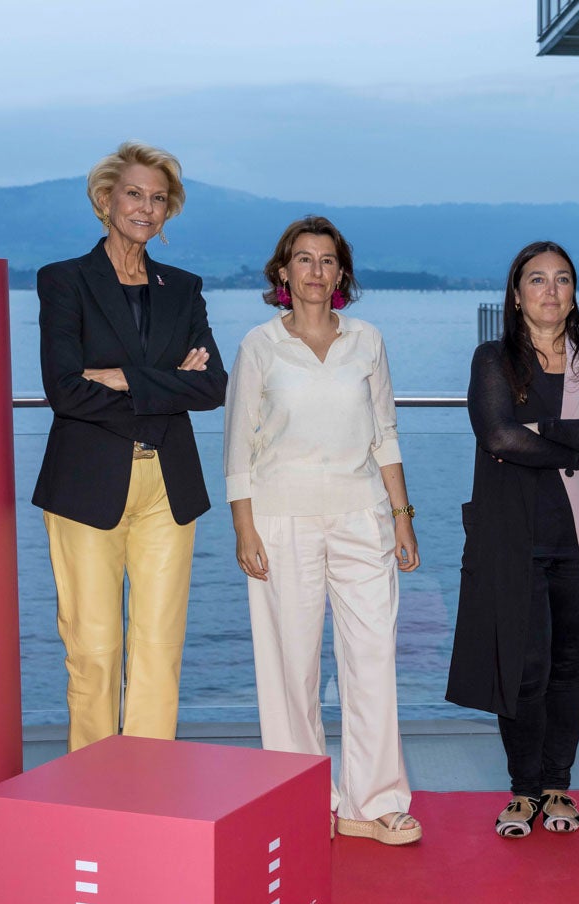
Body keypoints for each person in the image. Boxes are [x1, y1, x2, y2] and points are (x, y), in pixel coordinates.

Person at [224, 216, 422, 846]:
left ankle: (375, 801)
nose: (315, 271)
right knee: (291, 667)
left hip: (363, 516)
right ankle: (302, 800)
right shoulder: (259, 345)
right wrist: (244, 529)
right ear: (283, 272)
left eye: (327, 260)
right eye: (303, 259)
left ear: (342, 273)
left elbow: (385, 432)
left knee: (372, 658)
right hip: (280, 519)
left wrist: (402, 518)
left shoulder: (368, 339)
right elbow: (238, 448)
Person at [33, 141, 228, 751]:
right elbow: (65, 390)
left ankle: (149, 785)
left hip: (169, 486)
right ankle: (91, 783)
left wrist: (119, 376)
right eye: (135, 194)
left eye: (159, 199)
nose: (147, 208)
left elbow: (213, 385)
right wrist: (168, 382)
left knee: (159, 647)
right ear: (105, 200)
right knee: (92, 648)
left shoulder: (184, 287)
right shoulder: (64, 281)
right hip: (87, 485)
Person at [447, 241, 579, 839]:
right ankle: (522, 791)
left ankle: (557, 785)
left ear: (574, 292)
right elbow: (501, 437)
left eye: (562, 279)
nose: (551, 290)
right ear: (516, 294)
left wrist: (547, 431)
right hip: (514, 538)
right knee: (522, 669)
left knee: (569, 668)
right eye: (537, 280)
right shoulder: (493, 359)